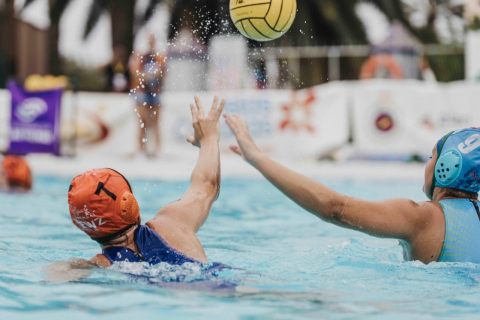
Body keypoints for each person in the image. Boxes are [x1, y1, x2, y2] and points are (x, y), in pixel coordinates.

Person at [224, 116, 480, 264]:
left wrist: (257, 158)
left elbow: (333, 208)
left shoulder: (421, 218)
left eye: (431, 157)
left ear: (448, 166)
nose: (428, 164)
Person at [68, 96, 224, 267]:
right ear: (130, 205)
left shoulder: (98, 264)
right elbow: (207, 184)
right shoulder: (173, 223)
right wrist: (209, 139)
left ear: (81, 225)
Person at [129, 35, 166, 157]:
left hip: (155, 93)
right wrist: (149, 76)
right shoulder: (140, 57)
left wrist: (152, 76)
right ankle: (140, 150)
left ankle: (157, 150)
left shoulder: (159, 57)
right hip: (142, 93)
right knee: (142, 123)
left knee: (156, 123)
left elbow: (164, 75)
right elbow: (135, 75)